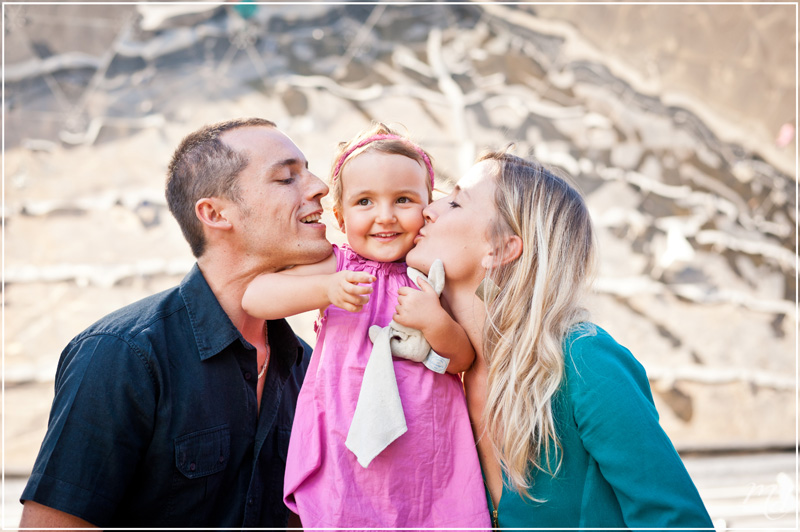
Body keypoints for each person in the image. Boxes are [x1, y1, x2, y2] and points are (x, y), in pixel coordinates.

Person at [19, 118, 331, 528]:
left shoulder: (309, 365)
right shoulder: (121, 354)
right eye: (288, 177)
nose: (319, 186)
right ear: (215, 213)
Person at [403, 151, 715, 529]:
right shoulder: (436, 371)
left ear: (500, 249)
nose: (428, 209)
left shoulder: (584, 361)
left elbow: (678, 521)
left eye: (454, 201)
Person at [242, 123, 491, 528]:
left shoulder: (431, 273)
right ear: (339, 216)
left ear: (429, 207)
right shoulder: (337, 265)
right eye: (365, 202)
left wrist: (435, 320)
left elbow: (462, 360)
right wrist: (326, 289)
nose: (385, 216)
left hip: (426, 446)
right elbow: (255, 296)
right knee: (346, 511)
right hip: (346, 437)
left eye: (404, 200)